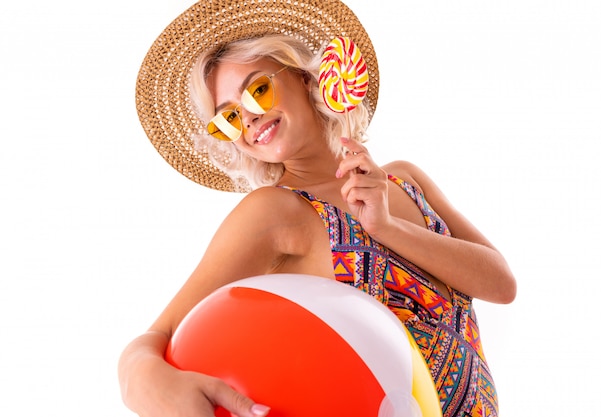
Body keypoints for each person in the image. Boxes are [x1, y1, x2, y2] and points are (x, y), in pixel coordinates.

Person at [118, 1, 517, 416]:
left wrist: (388, 228)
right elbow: (156, 340)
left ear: (306, 78)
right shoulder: (274, 213)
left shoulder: (404, 178)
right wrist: (138, 374)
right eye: (230, 118)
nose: (249, 120)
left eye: (258, 91)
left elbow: (501, 284)